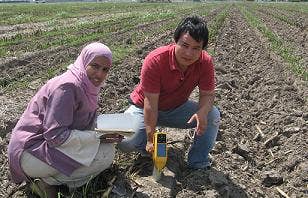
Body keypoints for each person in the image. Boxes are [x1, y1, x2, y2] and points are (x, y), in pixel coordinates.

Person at [7, 42, 123, 197]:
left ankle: (50, 179)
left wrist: (108, 131)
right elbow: (55, 136)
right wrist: (98, 137)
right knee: (104, 155)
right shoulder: (68, 86)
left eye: (105, 69)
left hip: (45, 146)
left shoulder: (86, 85)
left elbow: (83, 121)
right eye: (95, 66)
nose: (100, 74)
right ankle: (46, 183)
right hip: (31, 152)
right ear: (84, 61)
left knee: (105, 150)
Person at [117, 15, 220, 170]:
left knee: (212, 115)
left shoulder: (205, 62)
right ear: (175, 41)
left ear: (203, 48)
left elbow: (207, 95)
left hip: (175, 108)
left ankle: (198, 162)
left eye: (196, 48)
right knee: (126, 142)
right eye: (184, 45)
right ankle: (146, 142)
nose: (189, 53)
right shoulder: (156, 60)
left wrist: (202, 112)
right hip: (143, 108)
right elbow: (150, 104)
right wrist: (151, 138)